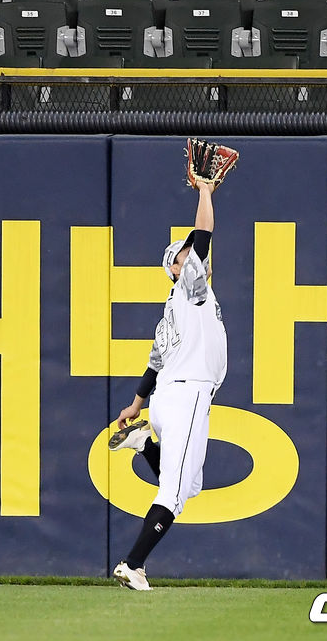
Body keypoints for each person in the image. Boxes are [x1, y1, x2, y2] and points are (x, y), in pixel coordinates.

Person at [110, 180, 227, 590]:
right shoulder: (189, 290)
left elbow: (155, 361)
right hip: (188, 394)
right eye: (182, 255)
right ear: (174, 270)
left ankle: (144, 443)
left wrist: (136, 403)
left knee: (189, 485)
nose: (190, 255)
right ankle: (133, 563)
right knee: (174, 495)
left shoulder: (176, 310)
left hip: (169, 399)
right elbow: (204, 234)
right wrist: (206, 192)